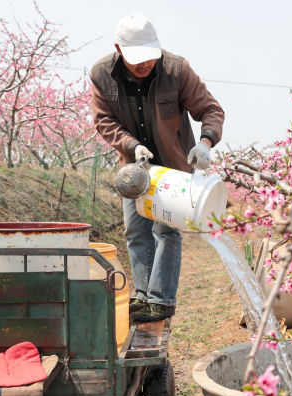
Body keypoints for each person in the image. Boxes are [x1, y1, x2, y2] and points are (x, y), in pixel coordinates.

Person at [90, 14, 224, 322]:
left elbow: (210, 109)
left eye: (149, 58)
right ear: (119, 49)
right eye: (136, 60)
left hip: (173, 167)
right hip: (134, 166)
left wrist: (205, 142)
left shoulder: (177, 70)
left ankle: (161, 300)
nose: (144, 65)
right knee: (136, 230)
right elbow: (103, 119)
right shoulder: (102, 74)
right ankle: (142, 295)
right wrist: (130, 144)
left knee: (165, 230)